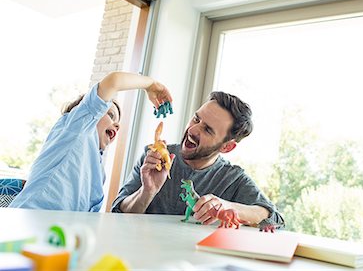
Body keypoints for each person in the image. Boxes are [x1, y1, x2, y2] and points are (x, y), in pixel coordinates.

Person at [112, 91, 284, 227]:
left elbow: (274, 219)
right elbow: (117, 215)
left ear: (226, 147)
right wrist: (146, 192)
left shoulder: (233, 179)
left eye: (207, 130)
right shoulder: (153, 158)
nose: (193, 129)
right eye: (196, 118)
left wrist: (229, 207)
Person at [9, 72, 172, 212]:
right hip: (29, 219)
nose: (117, 124)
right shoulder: (76, 127)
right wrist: (151, 84)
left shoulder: (98, 171)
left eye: (117, 121)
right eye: (110, 115)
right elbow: (113, 81)